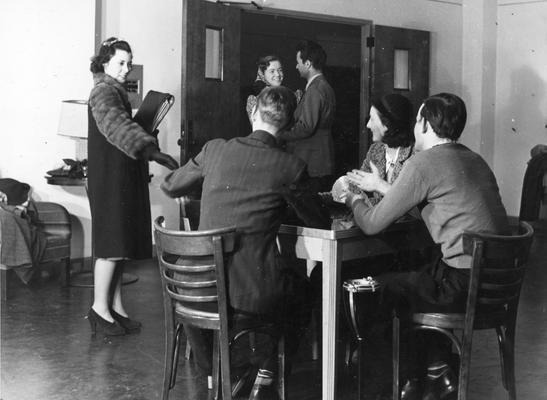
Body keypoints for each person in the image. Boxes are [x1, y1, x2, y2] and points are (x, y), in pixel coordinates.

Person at [161, 86, 330, 399]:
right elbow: (320, 221)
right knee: (306, 290)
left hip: (192, 287)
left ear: (254, 113)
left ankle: (216, 373)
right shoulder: (289, 166)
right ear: (290, 125)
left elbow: (170, 185)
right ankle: (267, 368)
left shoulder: (214, 149)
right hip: (248, 292)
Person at [339, 93, 509, 400]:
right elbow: (438, 204)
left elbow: (372, 223)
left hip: (460, 286)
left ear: (426, 125)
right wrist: (382, 187)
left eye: (418, 121)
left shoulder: (422, 163)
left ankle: (386, 387)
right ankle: (437, 372)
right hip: (493, 285)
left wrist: (352, 198)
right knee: (414, 274)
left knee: (377, 289)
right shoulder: (473, 158)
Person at [87, 37, 178, 336]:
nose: (127, 69)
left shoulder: (114, 91)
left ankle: (115, 308)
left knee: (119, 245)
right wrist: (152, 150)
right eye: (120, 63)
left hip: (117, 177)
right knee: (111, 245)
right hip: (109, 180)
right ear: (104, 63)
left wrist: (145, 129)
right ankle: (99, 309)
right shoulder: (103, 92)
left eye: (129, 63)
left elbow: (124, 128)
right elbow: (117, 127)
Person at [277, 40, 336, 193]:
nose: (297, 66)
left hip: (312, 161)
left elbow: (306, 127)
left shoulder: (315, 89)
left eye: (298, 62)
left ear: (308, 64)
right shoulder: (324, 86)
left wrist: (279, 133)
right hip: (320, 159)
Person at [346, 93, 414, 205]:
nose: (368, 125)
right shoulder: (376, 149)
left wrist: (379, 185)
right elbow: (355, 188)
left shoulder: (415, 155)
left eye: (372, 119)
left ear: (387, 124)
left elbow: (411, 205)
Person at [245, 55, 284, 122]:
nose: (278, 74)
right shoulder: (255, 100)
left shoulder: (290, 96)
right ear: (263, 74)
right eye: (272, 71)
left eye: (280, 70)